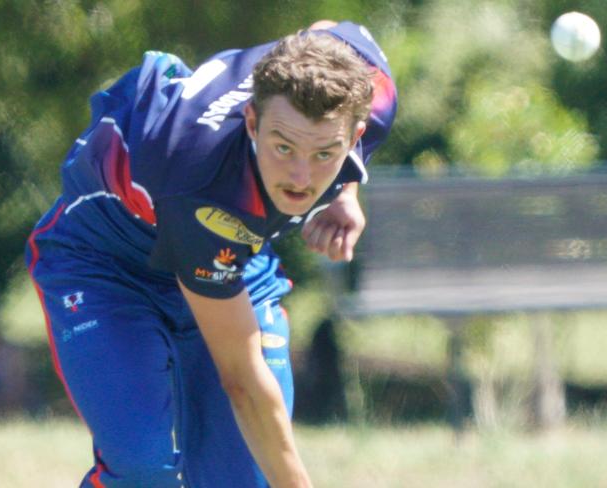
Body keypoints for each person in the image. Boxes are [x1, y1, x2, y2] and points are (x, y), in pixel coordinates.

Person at [27, 19, 396, 488]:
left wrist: (345, 192)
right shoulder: (200, 184)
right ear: (252, 120)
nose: (301, 178)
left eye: (325, 153)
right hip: (106, 266)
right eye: (283, 147)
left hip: (230, 262)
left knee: (242, 478)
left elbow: (326, 30)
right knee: (145, 469)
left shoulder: (372, 89)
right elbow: (241, 379)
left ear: (357, 132)